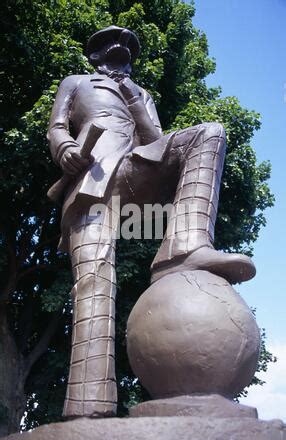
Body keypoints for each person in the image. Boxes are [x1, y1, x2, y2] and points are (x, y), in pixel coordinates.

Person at [47, 26, 255, 418]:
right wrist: (66, 148)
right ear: (94, 56)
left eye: (127, 45)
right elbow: (57, 126)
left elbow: (152, 139)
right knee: (95, 283)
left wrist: (134, 98)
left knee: (208, 133)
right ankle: (89, 406)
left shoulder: (141, 93)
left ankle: (185, 247)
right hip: (92, 179)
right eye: (109, 43)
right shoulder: (76, 82)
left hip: (135, 170)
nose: (119, 46)